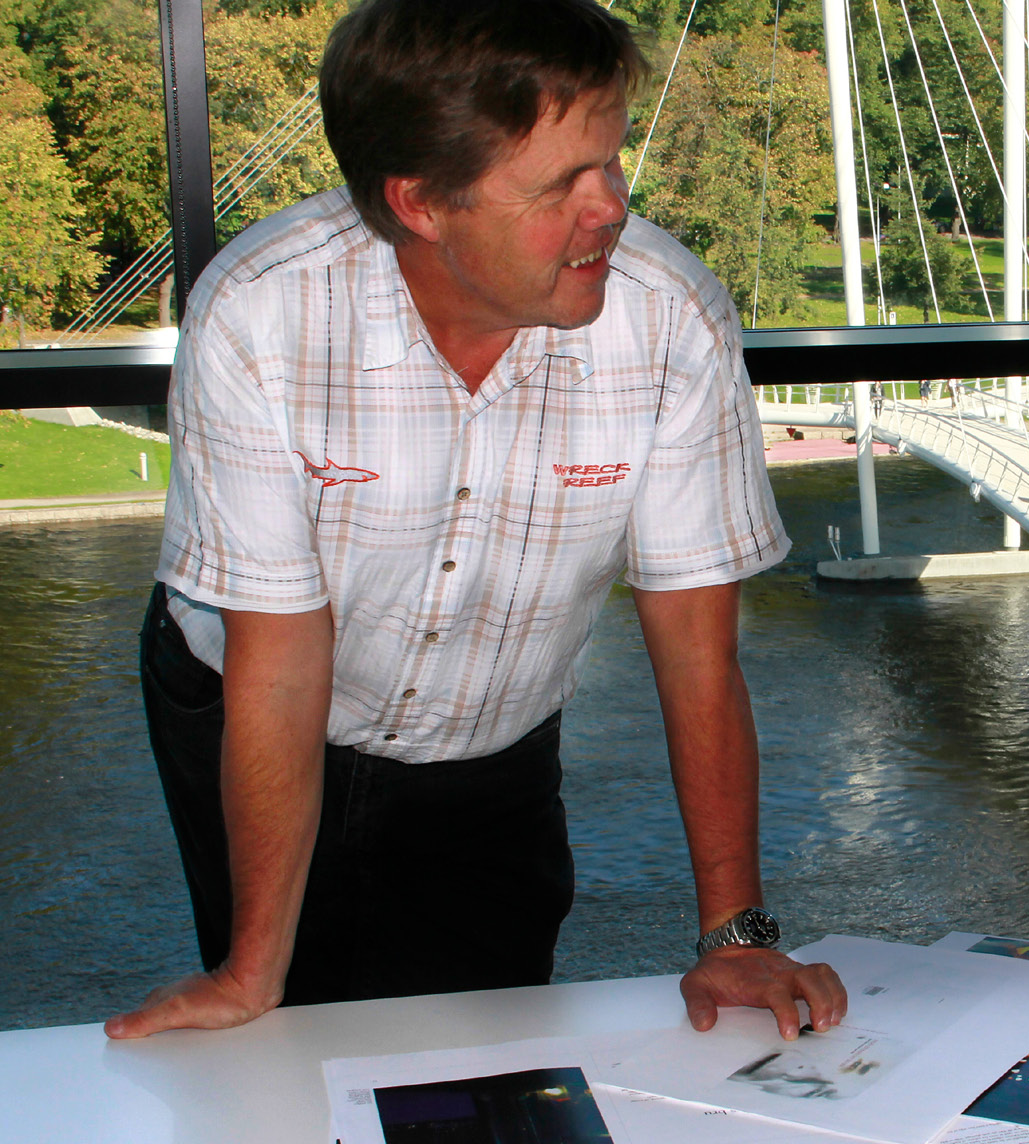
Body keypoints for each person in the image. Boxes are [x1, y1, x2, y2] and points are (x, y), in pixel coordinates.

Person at [111, 0, 843, 1042]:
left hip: (493, 720)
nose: (610, 210)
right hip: (250, 683)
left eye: (611, 162)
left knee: (487, 1031)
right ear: (421, 203)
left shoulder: (674, 319)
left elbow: (696, 654)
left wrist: (735, 936)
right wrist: (248, 971)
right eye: (560, 187)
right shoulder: (261, 313)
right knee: (290, 1023)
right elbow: (280, 656)